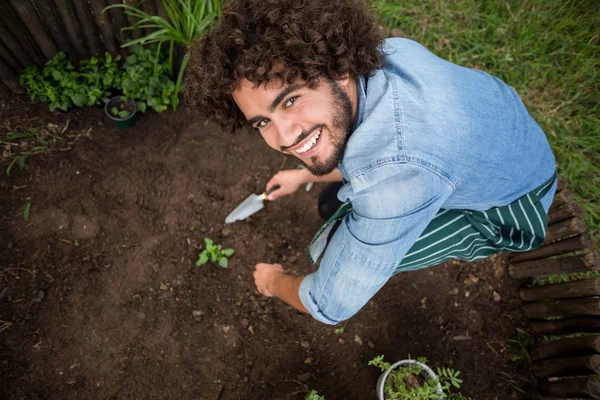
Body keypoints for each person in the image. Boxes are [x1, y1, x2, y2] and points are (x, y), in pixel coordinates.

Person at [185, 0, 557, 325]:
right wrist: (302, 174)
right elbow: (379, 150)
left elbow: (328, 302)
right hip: (503, 126)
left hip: (515, 204)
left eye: (290, 100)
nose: (283, 138)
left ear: (339, 69)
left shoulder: (396, 183)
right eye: (263, 121)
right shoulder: (392, 53)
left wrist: (274, 281)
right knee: (337, 203)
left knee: (334, 249)